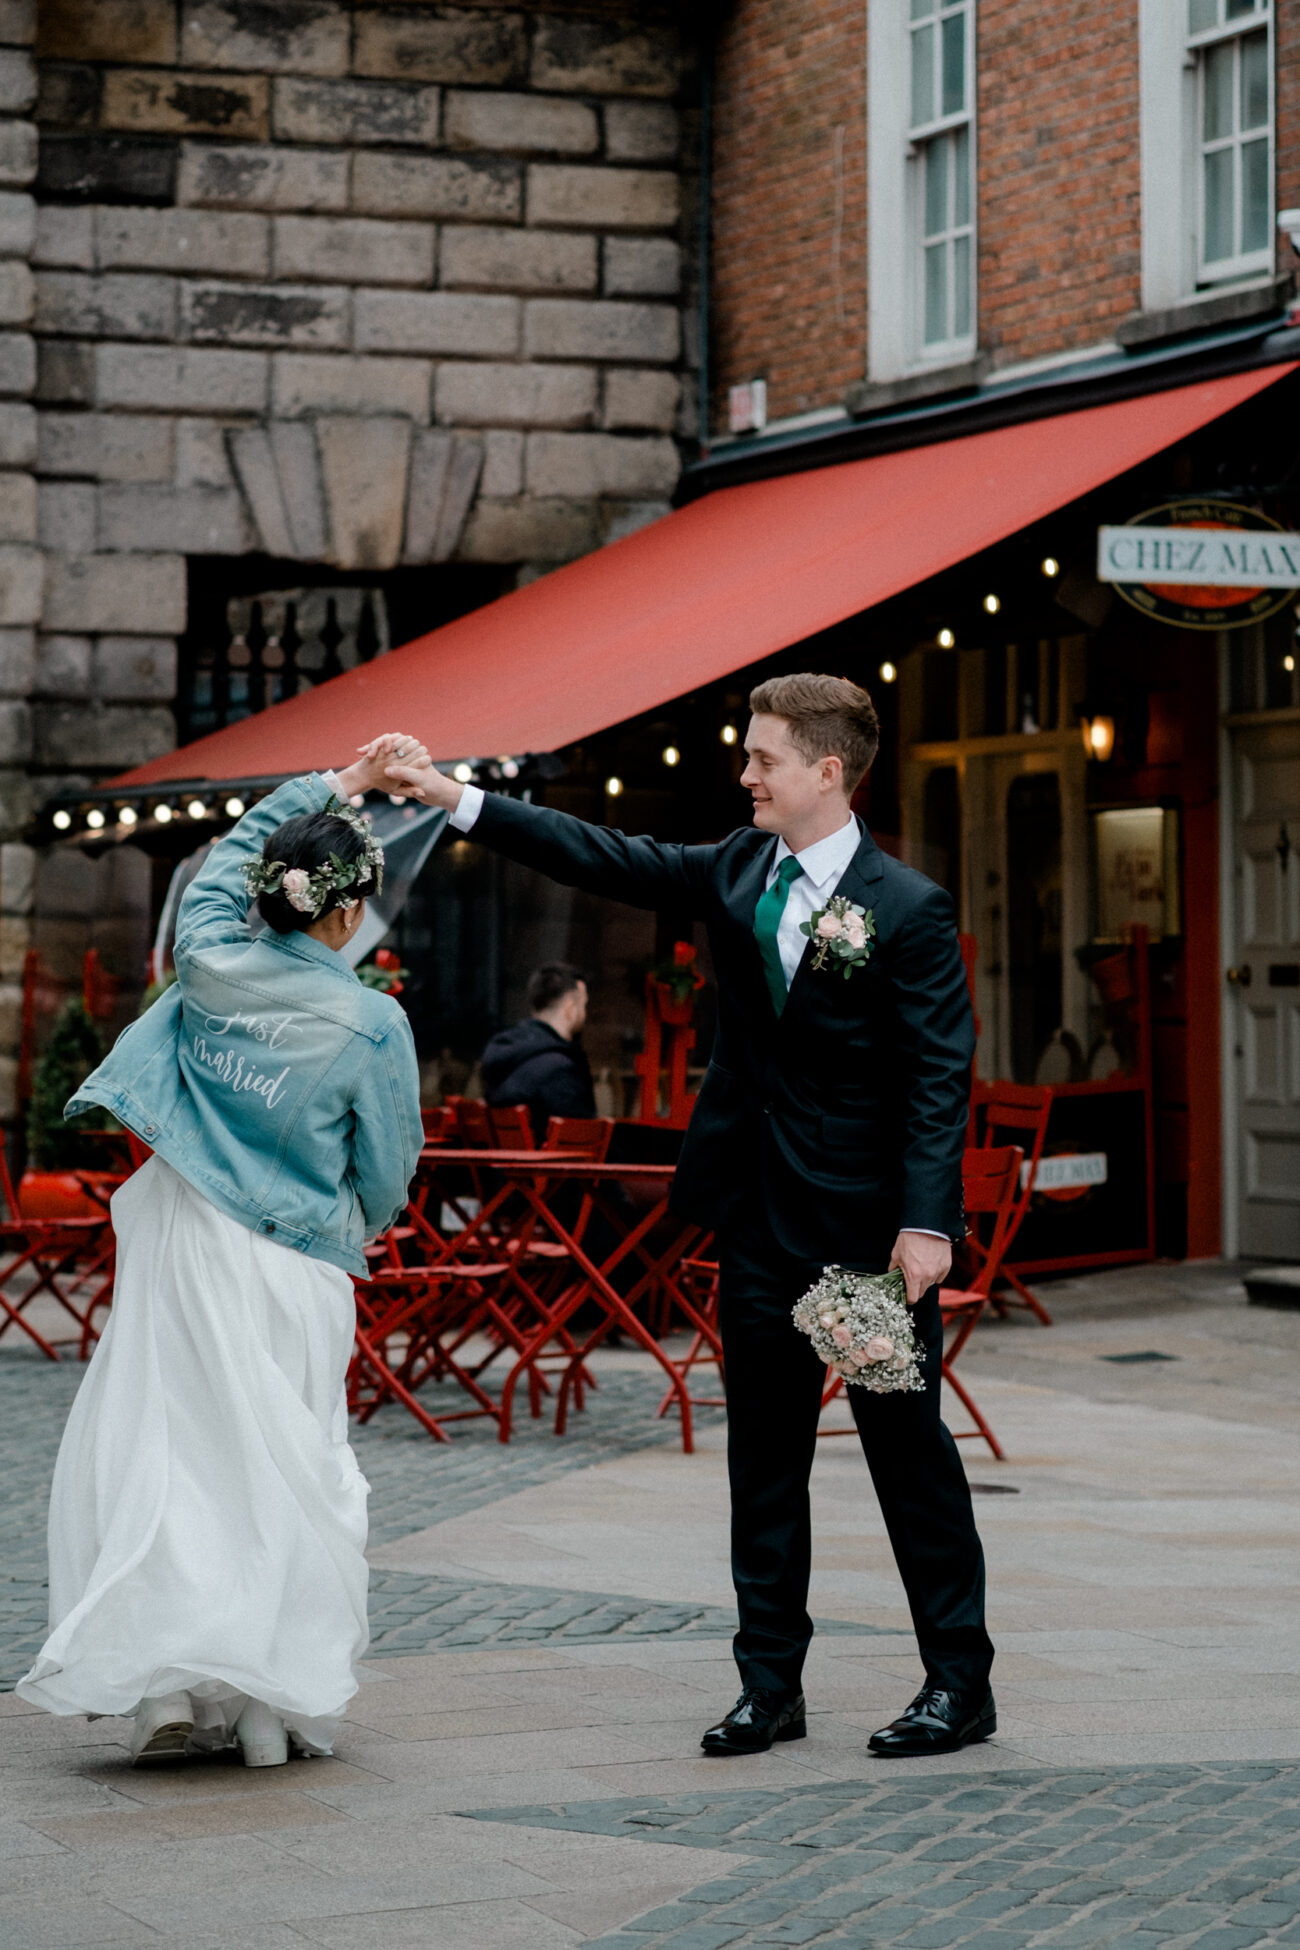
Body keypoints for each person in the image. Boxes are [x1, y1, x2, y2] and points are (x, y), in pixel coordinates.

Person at [381, 673, 993, 1760]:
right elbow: (600, 853)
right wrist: (451, 795)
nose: (744, 774)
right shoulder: (735, 867)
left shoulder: (906, 907)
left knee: (906, 1455)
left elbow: (940, 1072)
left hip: (861, 1246)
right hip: (756, 1225)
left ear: (826, 773)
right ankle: (770, 1688)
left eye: (762, 758)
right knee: (761, 1460)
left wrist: (926, 1221)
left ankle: (958, 1683)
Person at [17, 735, 427, 1769]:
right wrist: (353, 1229)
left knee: (173, 1459)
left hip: (181, 1246)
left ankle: (161, 1686)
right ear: (343, 914)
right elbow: (387, 1170)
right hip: (293, 1264)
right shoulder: (372, 1022)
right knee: (287, 1467)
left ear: (274, 894)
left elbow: (216, 867)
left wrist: (333, 786)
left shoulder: (204, 958)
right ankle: (261, 1703)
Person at [480, 961, 595, 1143]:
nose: (584, 1014)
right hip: (551, 1168)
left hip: (505, 1169)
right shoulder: (560, 1070)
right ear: (569, 1008)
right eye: (584, 1005)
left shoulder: (503, 1057)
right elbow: (582, 1140)